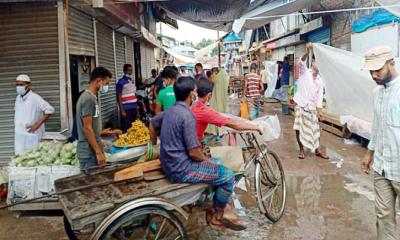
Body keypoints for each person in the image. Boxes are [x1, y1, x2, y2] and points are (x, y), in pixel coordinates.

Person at [149, 76, 246, 231]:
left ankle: (210, 207)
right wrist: (208, 160)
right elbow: (194, 153)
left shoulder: (170, 112)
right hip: (182, 169)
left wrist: (153, 146)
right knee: (228, 175)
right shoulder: (187, 116)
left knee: (217, 163)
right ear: (191, 94)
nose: (196, 93)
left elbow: (152, 124)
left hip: (169, 164)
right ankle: (219, 212)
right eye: (194, 91)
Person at [361, 45, 400, 240]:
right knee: (384, 216)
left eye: (378, 69)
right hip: (382, 167)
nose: (374, 75)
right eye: (371, 71)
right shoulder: (377, 93)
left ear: (392, 63)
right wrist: (369, 152)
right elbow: (376, 125)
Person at [76, 67, 121, 171]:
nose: (107, 87)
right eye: (106, 83)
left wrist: (100, 133)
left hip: (91, 150)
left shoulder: (90, 97)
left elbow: (89, 126)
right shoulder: (88, 99)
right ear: (98, 81)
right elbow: (87, 128)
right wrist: (98, 152)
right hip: (89, 153)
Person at [192, 78, 261, 141]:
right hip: (194, 147)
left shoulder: (191, 104)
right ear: (209, 95)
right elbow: (233, 124)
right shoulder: (203, 110)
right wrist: (256, 127)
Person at [293, 43, 328, 160]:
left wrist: (320, 111)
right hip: (301, 104)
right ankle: (301, 149)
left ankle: (317, 150)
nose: (319, 65)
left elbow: (319, 98)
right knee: (298, 128)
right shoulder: (305, 72)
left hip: (311, 107)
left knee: (315, 129)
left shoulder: (320, 80)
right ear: (313, 63)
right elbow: (301, 61)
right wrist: (308, 52)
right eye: (317, 62)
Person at [14, 74, 55, 155]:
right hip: (19, 135)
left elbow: (49, 110)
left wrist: (36, 125)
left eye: (21, 84)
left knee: (31, 159)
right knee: (19, 159)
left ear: (28, 85)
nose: (19, 87)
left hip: (31, 136)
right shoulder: (18, 98)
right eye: (17, 85)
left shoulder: (35, 98)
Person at [117, 64, 138, 133]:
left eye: (131, 70)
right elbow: (119, 97)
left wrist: (136, 107)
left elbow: (133, 94)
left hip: (133, 108)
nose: (130, 72)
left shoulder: (132, 81)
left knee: (134, 127)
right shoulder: (121, 82)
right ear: (124, 71)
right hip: (126, 109)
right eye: (128, 70)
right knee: (126, 128)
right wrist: (122, 110)